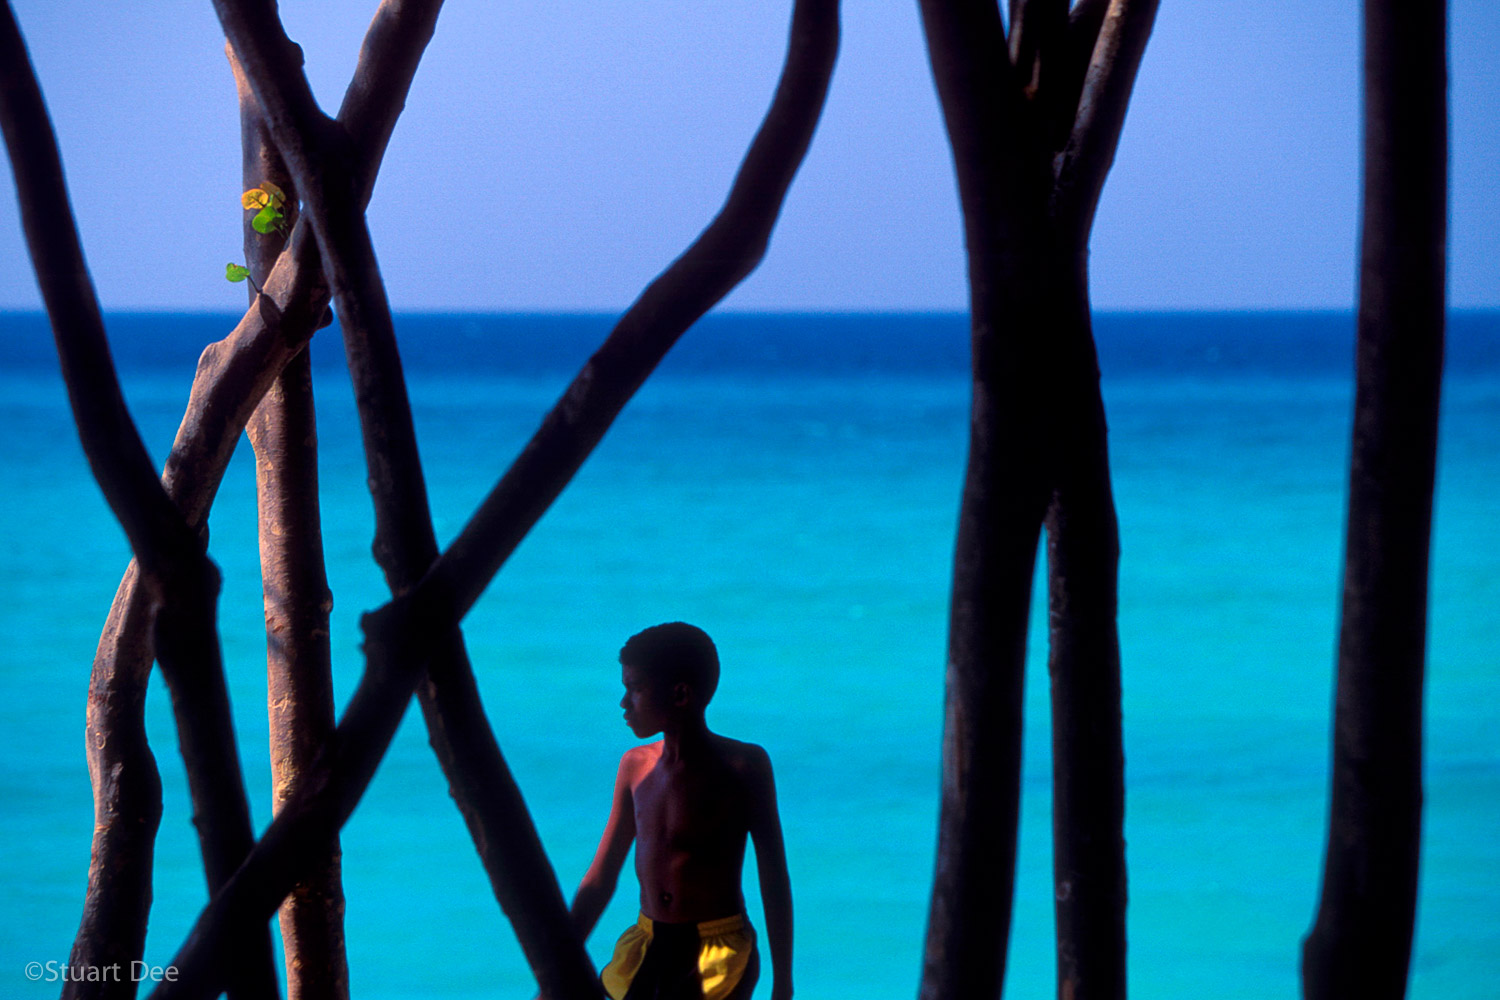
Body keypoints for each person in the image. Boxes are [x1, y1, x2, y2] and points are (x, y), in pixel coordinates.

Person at [564, 622, 793, 1000]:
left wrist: (783, 983)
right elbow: (600, 878)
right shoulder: (634, 766)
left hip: (718, 946)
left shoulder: (744, 767)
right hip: (649, 940)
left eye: (636, 689)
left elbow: (774, 878)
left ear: (681, 694)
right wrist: (558, 965)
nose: (624, 702)